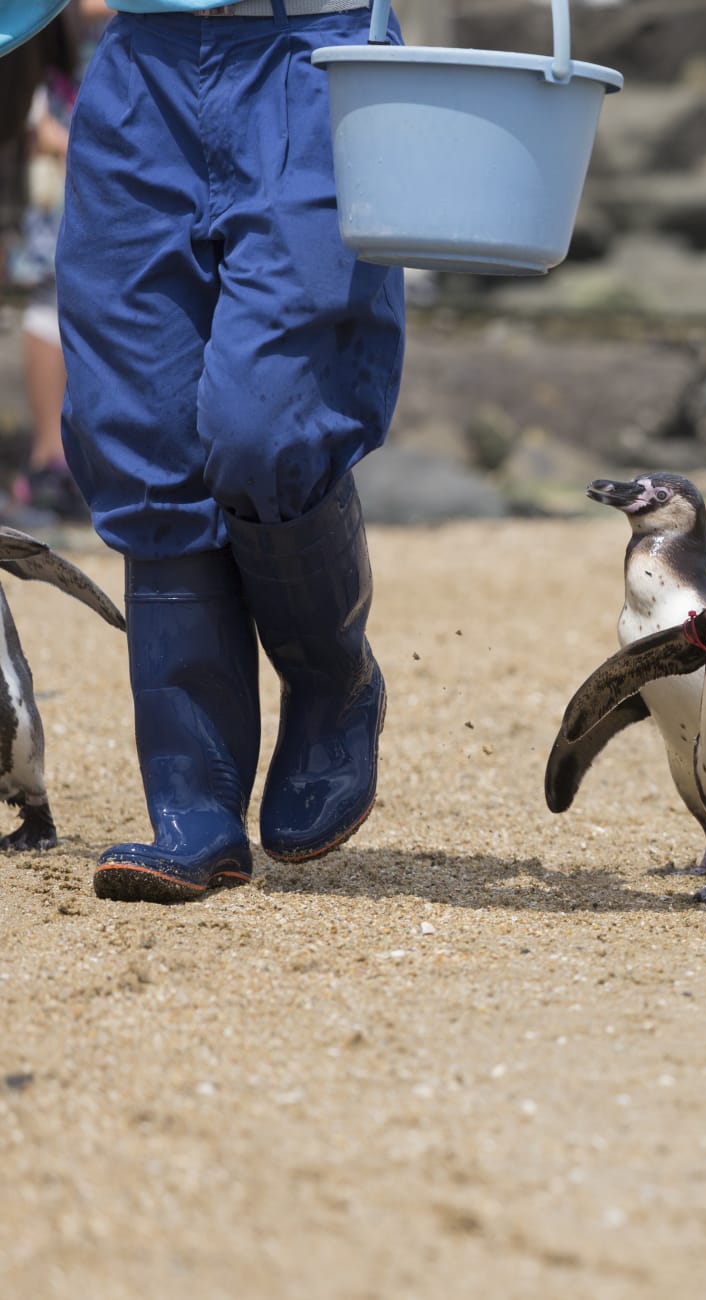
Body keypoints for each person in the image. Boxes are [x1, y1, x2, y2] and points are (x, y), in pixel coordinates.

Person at [57, 0, 405, 902]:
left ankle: (333, 682)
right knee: (133, 428)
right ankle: (194, 807)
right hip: (141, 62)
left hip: (315, 53)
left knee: (270, 419)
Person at [5, 1, 102, 524]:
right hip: (64, 161)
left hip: (104, 150)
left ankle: (76, 462)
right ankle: (47, 461)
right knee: (50, 297)